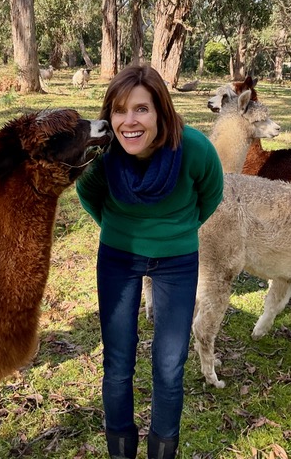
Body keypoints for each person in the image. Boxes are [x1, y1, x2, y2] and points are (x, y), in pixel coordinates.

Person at [76, 65, 224, 459]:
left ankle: (163, 450)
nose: (129, 121)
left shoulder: (193, 149)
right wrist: (119, 233)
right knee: (118, 361)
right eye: (120, 110)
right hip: (118, 260)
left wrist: (176, 233)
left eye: (141, 109)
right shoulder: (104, 154)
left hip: (177, 261)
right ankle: (121, 450)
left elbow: (210, 195)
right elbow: (88, 194)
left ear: (161, 110)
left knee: (169, 365)